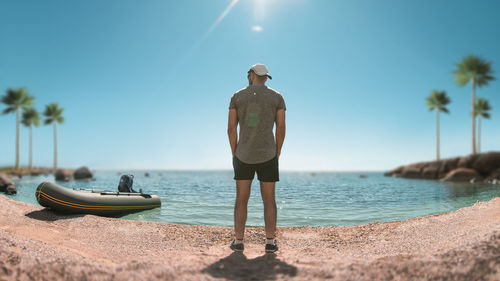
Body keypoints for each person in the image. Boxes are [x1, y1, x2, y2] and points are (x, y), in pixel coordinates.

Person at [227, 63, 286, 253]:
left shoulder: (237, 96)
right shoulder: (276, 97)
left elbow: (231, 128)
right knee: (269, 200)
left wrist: (234, 152)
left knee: (241, 199)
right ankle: (270, 242)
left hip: (243, 154)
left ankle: (238, 241)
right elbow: (281, 128)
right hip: (268, 154)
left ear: (251, 75)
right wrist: (277, 153)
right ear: (265, 77)